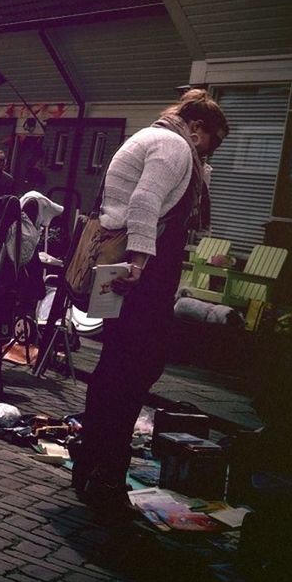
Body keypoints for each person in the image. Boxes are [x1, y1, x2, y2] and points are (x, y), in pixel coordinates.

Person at [70, 88, 228, 513]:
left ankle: (92, 462)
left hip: (133, 268)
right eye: (212, 142)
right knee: (135, 368)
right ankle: (106, 472)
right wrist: (139, 264)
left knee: (117, 367)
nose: (209, 154)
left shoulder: (155, 137)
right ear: (198, 128)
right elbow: (144, 201)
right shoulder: (174, 145)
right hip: (142, 271)